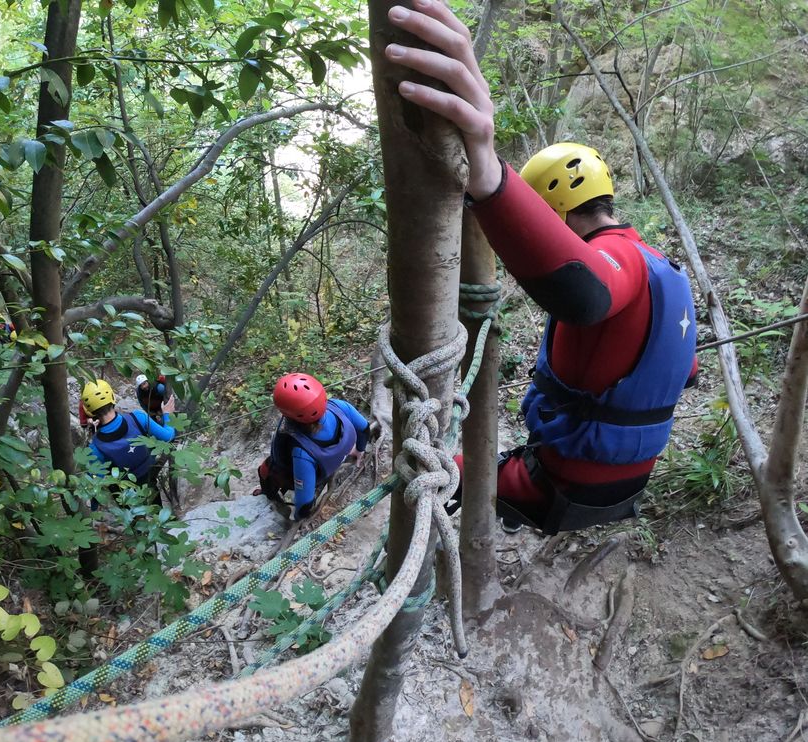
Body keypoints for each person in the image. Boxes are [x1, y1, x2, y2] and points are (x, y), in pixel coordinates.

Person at [384, 0, 698, 535]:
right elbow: (683, 372)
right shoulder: (664, 269)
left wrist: (487, 176)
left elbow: (586, 294)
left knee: (439, 472)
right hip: (624, 479)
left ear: (549, 208)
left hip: (564, 482)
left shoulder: (618, 262)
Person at [256, 372, 371, 521]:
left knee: (264, 470)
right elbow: (364, 428)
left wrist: (298, 516)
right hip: (333, 460)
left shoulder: (302, 452)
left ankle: (269, 496)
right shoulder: (339, 406)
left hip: (316, 471)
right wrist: (360, 449)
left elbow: (305, 501)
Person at [80, 379, 177, 503]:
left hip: (125, 494)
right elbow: (168, 436)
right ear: (112, 397)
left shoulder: (95, 447)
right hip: (149, 478)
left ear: (90, 411)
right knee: (156, 509)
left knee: (134, 519)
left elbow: (95, 485)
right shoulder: (137, 418)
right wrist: (167, 414)